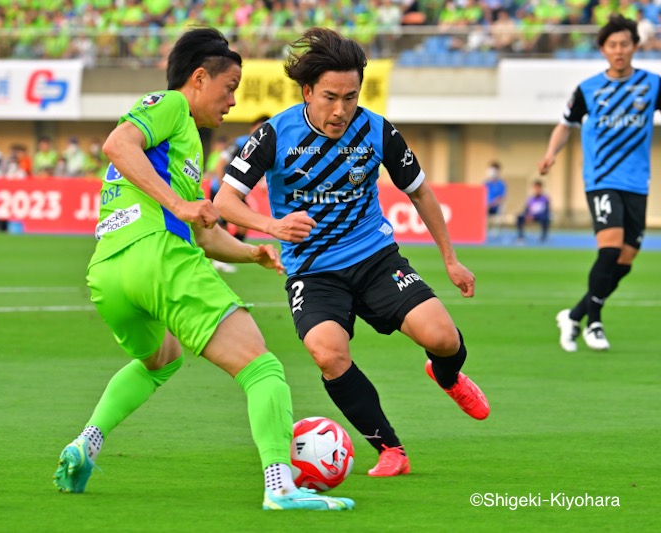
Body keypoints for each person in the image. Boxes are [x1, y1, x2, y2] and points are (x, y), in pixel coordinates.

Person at [52, 27, 354, 512]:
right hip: (157, 258)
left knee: (161, 359)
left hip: (110, 271)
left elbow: (205, 230)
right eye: (230, 87)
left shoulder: (185, 143)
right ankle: (280, 486)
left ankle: (86, 442)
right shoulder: (170, 105)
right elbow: (116, 144)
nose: (232, 101)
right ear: (198, 78)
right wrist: (178, 203)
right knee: (263, 367)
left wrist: (254, 249)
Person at [214, 27, 490, 479]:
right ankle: (390, 450)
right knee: (327, 352)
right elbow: (225, 200)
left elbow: (420, 193)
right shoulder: (273, 134)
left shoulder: (377, 130)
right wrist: (272, 226)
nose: (341, 109)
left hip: (375, 258)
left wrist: (450, 259)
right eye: (330, 97)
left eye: (351, 96)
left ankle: (447, 376)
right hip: (313, 271)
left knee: (443, 339)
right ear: (307, 91)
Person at [538, 15, 659, 353]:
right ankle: (594, 322)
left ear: (635, 46)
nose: (619, 51)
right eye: (612, 45)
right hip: (602, 178)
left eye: (624, 44)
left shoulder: (651, 84)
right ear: (604, 49)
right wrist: (551, 154)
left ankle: (574, 315)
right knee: (609, 249)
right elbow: (565, 125)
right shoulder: (588, 90)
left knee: (624, 261)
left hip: (638, 182)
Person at [209, 115, 271, 273]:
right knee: (221, 225)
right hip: (221, 189)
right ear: (252, 128)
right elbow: (221, 163)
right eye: (258, 128)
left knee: (240, 226)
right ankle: (220, 259)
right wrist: (224, 188)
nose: (261, 132)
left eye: (264, 128)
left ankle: (224, 257)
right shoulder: (240, 142)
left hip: (236, 193)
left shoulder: (265, 146)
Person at [484, 161, 507, 238]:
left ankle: (494, 234)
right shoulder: (485, 183)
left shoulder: (501, 184)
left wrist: (491, 204)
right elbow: (480, 196)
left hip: (495, 207)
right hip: (484, 207)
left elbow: (501, 198)